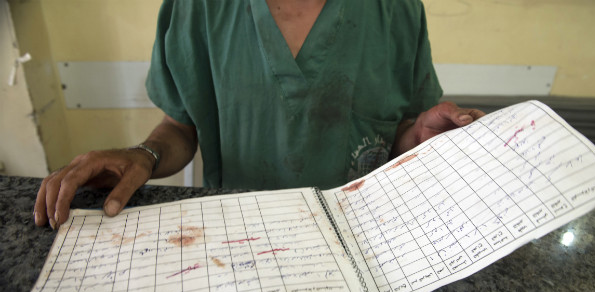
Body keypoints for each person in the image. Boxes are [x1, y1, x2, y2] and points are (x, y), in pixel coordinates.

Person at [34, 0, 485, 230]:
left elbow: (399, 129)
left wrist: (419, 138)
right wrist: (145, 154)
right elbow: (180, 125)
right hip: (236, 237)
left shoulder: (395, 10)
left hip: (363, 236)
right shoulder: (200, 8)